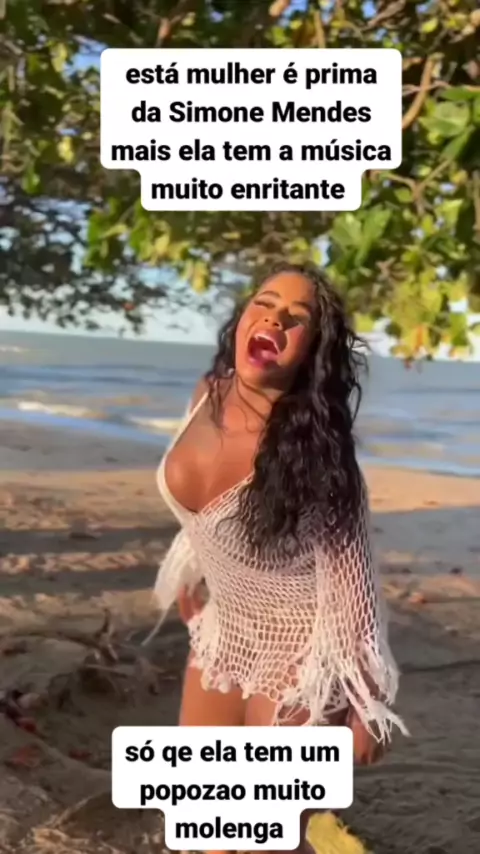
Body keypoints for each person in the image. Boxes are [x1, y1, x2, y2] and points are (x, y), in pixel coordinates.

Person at [150, 262, 407, 852]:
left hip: (305, 656)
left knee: (270, 836)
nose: (275, 319)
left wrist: (368, 705)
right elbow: (205, 523)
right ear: (243, 319)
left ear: (311, 350)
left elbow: (353, 583)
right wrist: (194, 572)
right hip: (225, 634)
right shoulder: (206, 394)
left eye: (297, 318)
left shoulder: (319, 453)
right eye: (265, 304)